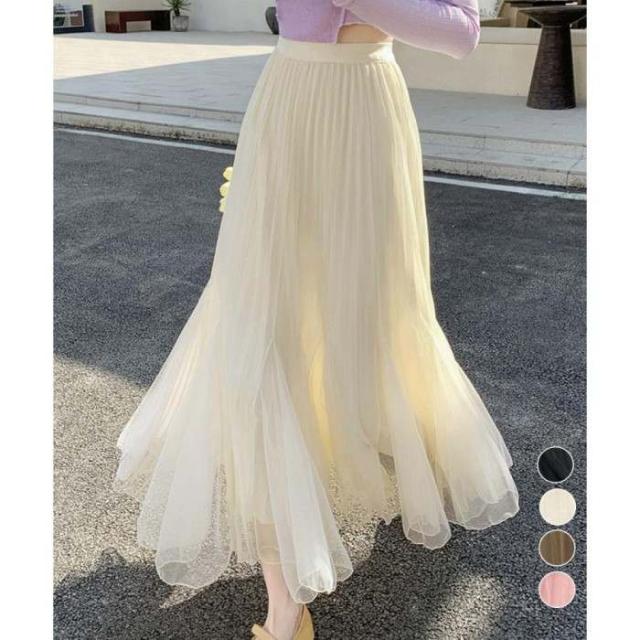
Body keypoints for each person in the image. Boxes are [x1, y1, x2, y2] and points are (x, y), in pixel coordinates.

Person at [113, 2, 519, 639]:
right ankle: (286, 604)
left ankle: (407, 455)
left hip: (369, 114)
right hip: (293, 107)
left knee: (380, 310)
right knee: (263, 325)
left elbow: (461, 32)